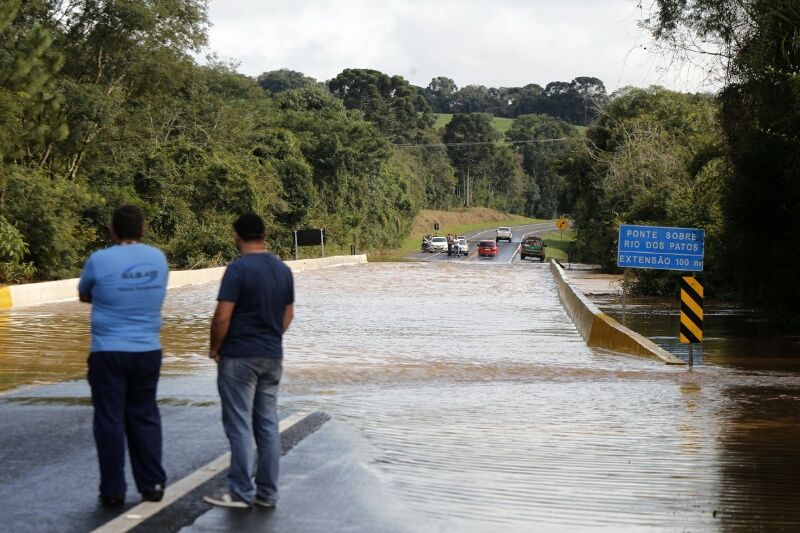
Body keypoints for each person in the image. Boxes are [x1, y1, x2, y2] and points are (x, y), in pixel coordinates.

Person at [78, 204, 169, 506]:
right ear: (142, 229)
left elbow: (84, 294)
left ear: (112, 230)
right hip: (147, 351)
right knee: (144, 415)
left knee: (109, 420)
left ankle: (113, 489)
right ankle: (152, 483)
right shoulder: (158, 258)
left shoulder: (99, 259)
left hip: (108, 352)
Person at [204, 214, 294, 509]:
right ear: (265, 234)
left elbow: (222, 316)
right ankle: (267, 494)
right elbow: (288, 315)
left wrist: (215, 348)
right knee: (267, 425)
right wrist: (270, 336)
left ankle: (241, 492)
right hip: (272, 355)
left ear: (236, 236)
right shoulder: (282, 270)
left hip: (239, 356)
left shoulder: (237, 269)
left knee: (240, 424)